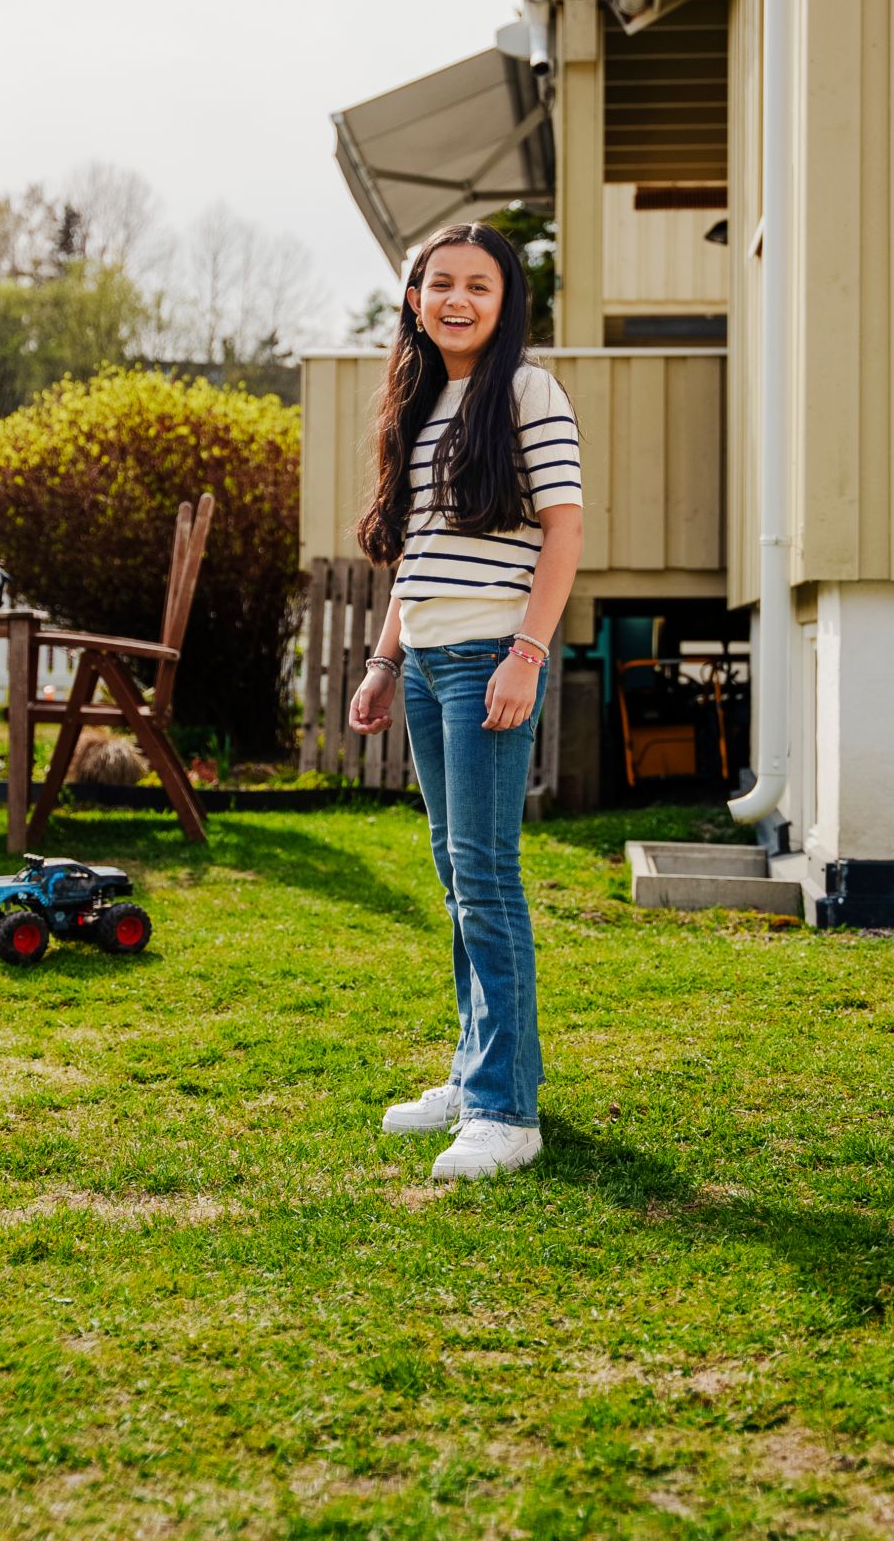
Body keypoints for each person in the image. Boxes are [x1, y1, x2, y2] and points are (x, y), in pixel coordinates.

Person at [349, 222, 583, 1180]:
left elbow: (564, 531)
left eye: (477, 286)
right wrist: (380, 659)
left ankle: (505, 1112)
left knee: (485, 877)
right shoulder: (416, 401)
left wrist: (527, 651)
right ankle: (473, 1069)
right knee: (454, 875)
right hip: (428, 659)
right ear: (414, 300)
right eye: (438, 284)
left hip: (493, 653)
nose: (456, 300)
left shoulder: (525, 390)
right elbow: (419, 553)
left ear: (505, 302)